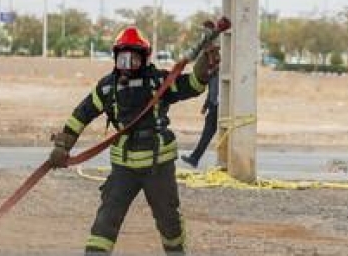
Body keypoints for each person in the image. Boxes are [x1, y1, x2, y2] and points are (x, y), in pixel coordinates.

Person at [48, 25, 220, 255]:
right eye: (123, 58)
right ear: (115, 58)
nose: (127, 65)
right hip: (124, 169)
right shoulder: (107, 88)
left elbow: (192, 85)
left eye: (133, 59)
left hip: (157, 167)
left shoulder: (159, 82)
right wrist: (62, 146)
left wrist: (204, 65)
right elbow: (82, 114)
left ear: (145, 59)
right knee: (106, 220)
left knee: (169, 221)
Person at [180, 41, 220, 169]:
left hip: (220, 106)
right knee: (208, 132)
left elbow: (218, 91)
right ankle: (195, 158)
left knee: (208, 132)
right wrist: (206, 105)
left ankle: (195, 158)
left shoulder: (219, 70)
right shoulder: (212, 71)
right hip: (215, 105)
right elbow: (212, 91)